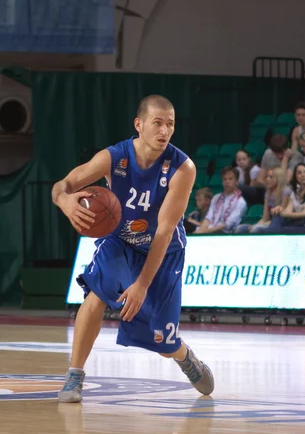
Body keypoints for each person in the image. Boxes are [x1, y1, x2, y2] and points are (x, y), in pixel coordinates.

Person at [51, 95, 214, 403]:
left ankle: (183, 355)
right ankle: (74, 374)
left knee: (161, 340)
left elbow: (164, 231)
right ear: (139, 125)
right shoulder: (114, 157)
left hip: (163, 253)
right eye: (157, 123)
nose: (164, 131)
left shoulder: (183, 168)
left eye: (170, 124)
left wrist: (140, 285)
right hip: (120, 241)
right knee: (97, 294)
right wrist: (65, 201)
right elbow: (64, 184)